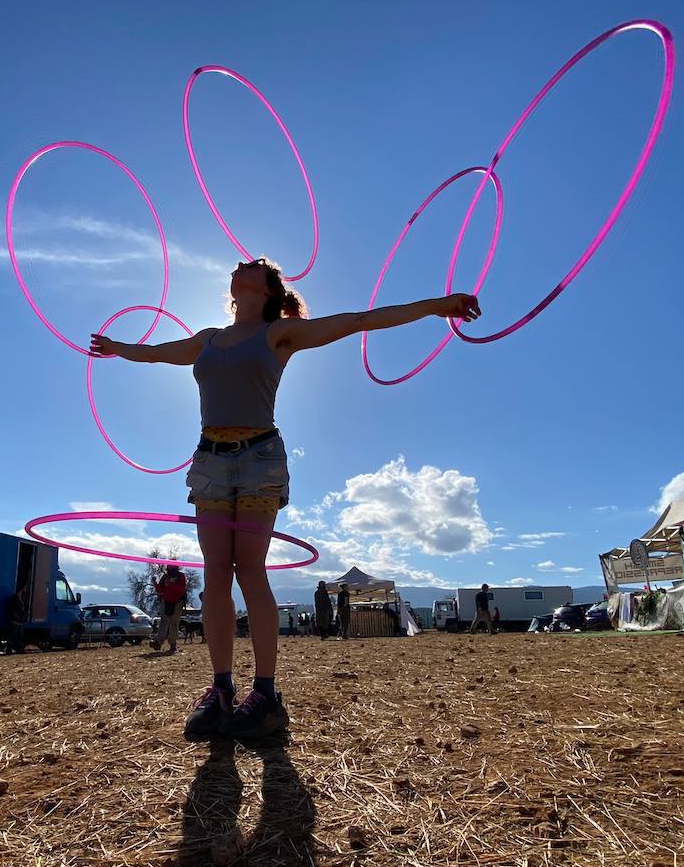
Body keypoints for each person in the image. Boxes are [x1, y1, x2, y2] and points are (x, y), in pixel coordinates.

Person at [92, 259, 480, 740]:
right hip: (211, 459)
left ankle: (267, 692)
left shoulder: (280, 334)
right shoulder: (207, 339)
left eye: (253, 265)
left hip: (259, 459)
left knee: (249, 568)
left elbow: (359, 320)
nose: (240, 263)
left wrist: (439, 307)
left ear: (270, 288)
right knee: (215, 571)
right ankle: (219, 690)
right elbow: (159, 352)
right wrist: (117, 348)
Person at [151, 565, 188, 653]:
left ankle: (172, 643)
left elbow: (182, 589)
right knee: (164, 621)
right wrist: (155, 583)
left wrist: (172, 584)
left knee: (174, 622)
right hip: (166, 601)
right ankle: (158, 642)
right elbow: (160, 590)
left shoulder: (181, 576)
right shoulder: (165, 577)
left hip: (178, 601)